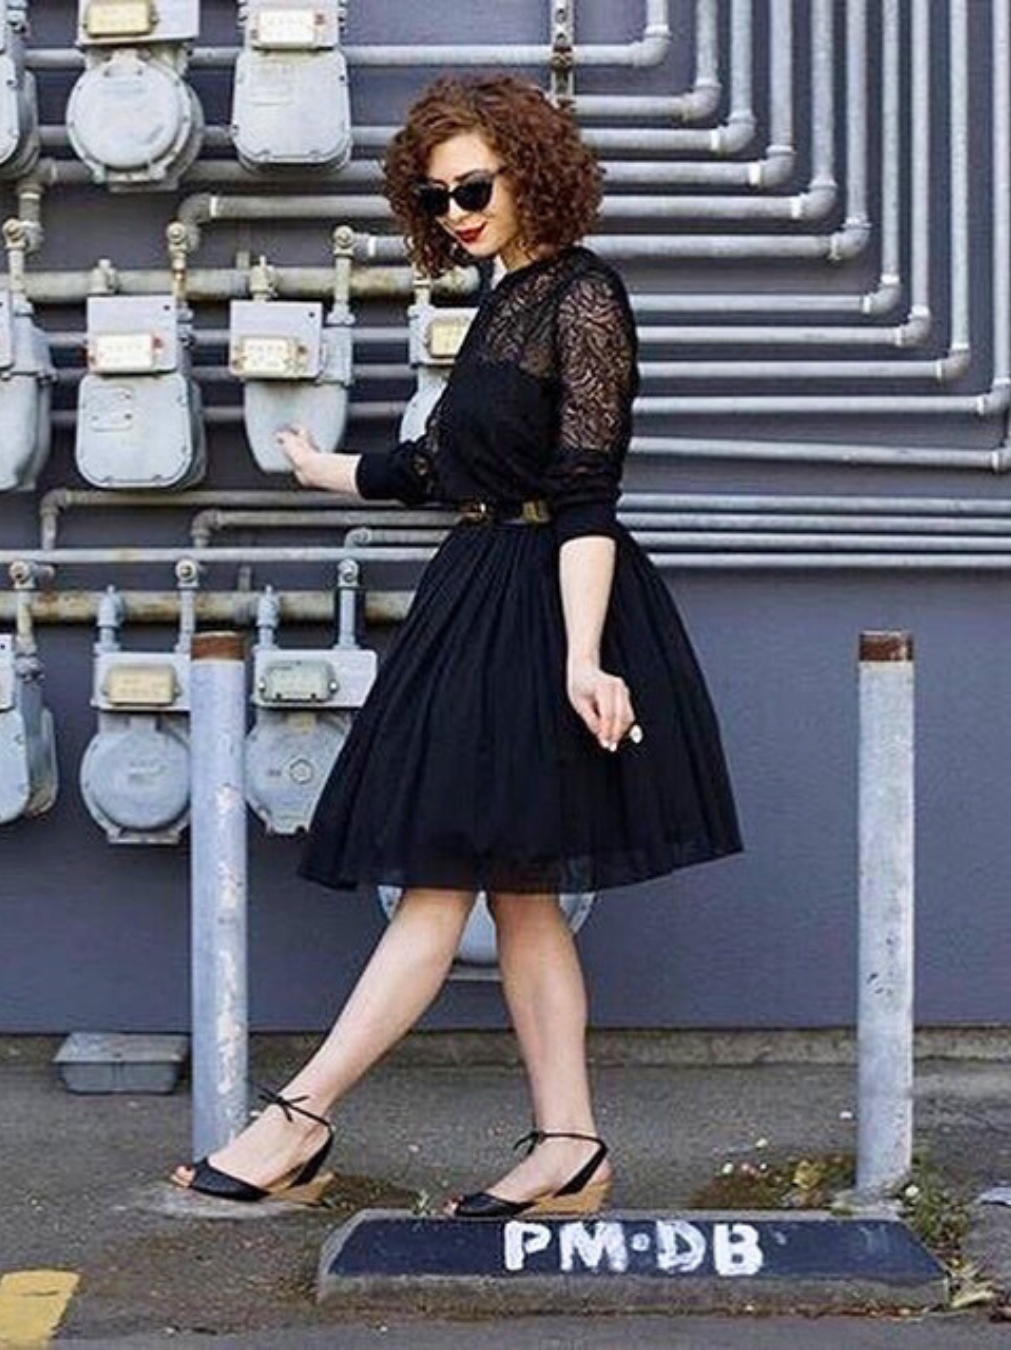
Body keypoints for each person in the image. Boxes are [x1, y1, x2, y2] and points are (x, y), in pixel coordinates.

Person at [173, 73, 743, 1218]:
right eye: (435, 199)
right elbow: (444, 467)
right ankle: (569, 1148)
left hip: (544, 604)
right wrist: (324, 469)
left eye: (473, 189)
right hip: (482, 591)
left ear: (532, 172)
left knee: (442, 879)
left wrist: (584, 657)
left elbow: (586, 497)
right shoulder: (504, 298)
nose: (456, 214)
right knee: (518, 893)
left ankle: (298, 1119)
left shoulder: (582, 295)